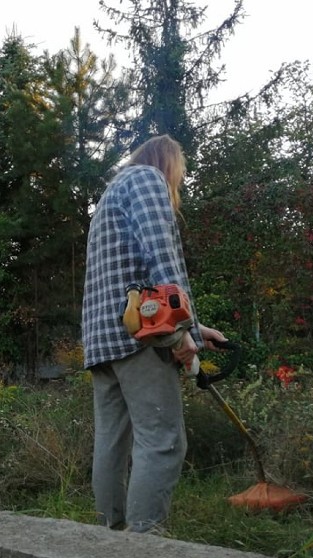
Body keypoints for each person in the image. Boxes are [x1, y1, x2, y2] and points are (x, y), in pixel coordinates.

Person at [81, 135, 225, 534]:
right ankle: (142, 545)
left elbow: (124, 273)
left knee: (112, 441)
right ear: (169, 163)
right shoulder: (147, 180)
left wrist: (197, 328)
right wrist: (181, 332)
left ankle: (108, 534)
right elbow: (162, 258)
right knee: (162, 439)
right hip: (142, 336)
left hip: (102, 341)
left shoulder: (110, 196)